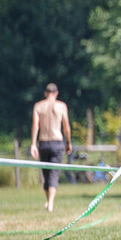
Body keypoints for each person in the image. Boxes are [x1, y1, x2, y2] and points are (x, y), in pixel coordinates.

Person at [30, 82, 72, 212]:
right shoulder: (61, 106)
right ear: (56, 93)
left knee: (46, 173)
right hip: (57, 142)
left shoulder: (38, 106)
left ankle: (48, 201)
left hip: (43, 142)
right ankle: (51, 202)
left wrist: (33, 144)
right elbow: (66, 127)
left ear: (45, 93)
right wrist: (68, 142)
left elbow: (35, 126)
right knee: (54, 173)